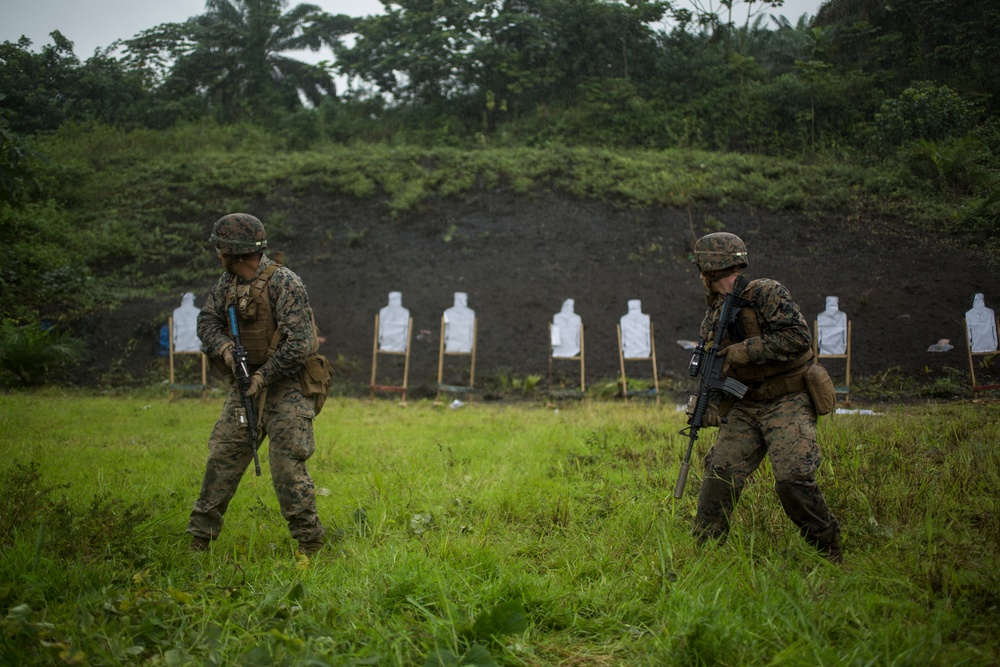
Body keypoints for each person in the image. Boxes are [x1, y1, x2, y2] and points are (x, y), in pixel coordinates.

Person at [689, 232, 842, 563]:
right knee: (720, 474)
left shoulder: (766, 293)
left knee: (792, 478)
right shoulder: (713, 316)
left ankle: (827, 548)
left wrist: (746, 350)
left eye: (702, 269)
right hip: (745, 404)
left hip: (788, 398)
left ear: (709, 269)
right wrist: (709, 404)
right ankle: (704, 554)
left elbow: (799, 338)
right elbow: (715, 371)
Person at [187, 213, 325, 556]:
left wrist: (263, 376)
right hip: (245, 383)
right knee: (223, 456)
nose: (217, 253)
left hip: (288, 384)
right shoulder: (227, 284)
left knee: (286, 465)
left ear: (232, 251)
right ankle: (199, 539)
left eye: (221, 247)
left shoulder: (285, 283)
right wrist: (225, 349)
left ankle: (310, 543)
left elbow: (300, 344)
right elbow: (207, 321)